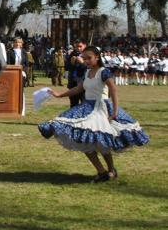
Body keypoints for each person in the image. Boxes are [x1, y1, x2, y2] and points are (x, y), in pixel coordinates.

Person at [39, 46, 150, 182]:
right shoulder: (87, 72)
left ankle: (111, 170)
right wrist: (59, 95)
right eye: (84, 58)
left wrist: (115, 111)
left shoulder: (104, 72)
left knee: (101, 141)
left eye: (89, 58)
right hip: (87, 107)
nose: (86, 61)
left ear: (97, 57)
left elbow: (113, 90)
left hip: (101, 108)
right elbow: (78, 89)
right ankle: (101, 171)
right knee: (84, 139)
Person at [66, 38, 87, 107]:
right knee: (73, 104)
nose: (78, 48)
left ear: (85, 45)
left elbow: (91, 69)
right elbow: (66, 67)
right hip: (73, 83)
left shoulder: (88, 55)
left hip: (83, 84)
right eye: (77, 46)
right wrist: (71, 62)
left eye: (80, 46)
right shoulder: (73, 54)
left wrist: (82, 63)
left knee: (85, 104)